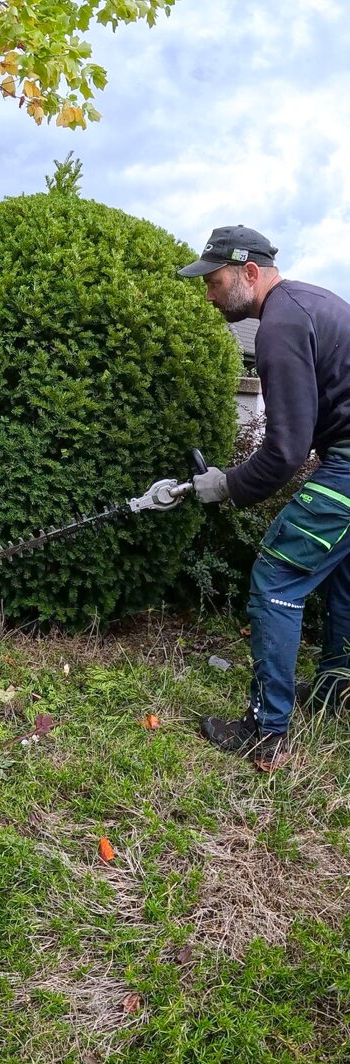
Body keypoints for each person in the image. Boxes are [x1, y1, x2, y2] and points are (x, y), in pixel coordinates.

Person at [178, 225, 350, 771]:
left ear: (249, 272)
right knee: (342, 577)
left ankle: (267, 733)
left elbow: (283, 451)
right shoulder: (314, 302)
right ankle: (334, 690)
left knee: (277, 578)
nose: (208, 293)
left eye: (215, 279)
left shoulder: (278, 325)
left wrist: (224, 484)